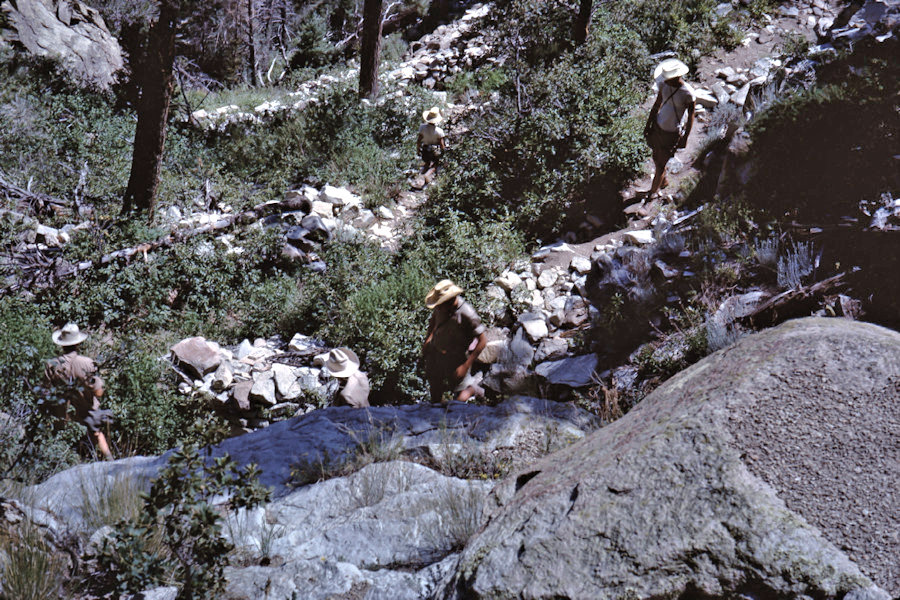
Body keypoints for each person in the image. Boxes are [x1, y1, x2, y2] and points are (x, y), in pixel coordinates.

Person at [44, 323, 113, 459]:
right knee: (97, 434)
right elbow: (98, 393)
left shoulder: (51, 364)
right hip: (86, 412)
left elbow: (46, 392)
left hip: (62, 415)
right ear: (78, 344)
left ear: (62, 344)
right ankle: (110, 461)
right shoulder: (86, 363)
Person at [422, 280, 487, 404]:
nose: (437, 308)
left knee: (459, 398)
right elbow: (434, 321)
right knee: (435, 391)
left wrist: (465, 366)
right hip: (437, 353)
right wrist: (428, 340)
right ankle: (438, 410)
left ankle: (473, 389)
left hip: (458, 358)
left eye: (440, 305)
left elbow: (483, 341)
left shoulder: (467, 313)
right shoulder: (441, 307)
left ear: (450, 301)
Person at [643, 58, 696, 198]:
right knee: (656, 157)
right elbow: (657, 105)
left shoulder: (688, 93)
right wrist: (648, 124)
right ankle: (663, 180)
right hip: (658, 127)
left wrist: (685, 137)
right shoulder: (664, 86)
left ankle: (652, 193)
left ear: (677, 76)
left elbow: (691, 116)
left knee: (660, 164)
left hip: (671, 133)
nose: (666, 80)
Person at [416, 106, 447, 173]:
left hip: (425, 151)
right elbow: (442, 145)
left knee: (427, 161)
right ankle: (434, 170)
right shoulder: (439, 131)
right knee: (436, 163)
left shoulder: (422, 128)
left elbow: (418, 141)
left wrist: (418, 150)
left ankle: (425, 170)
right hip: (435, 152)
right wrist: (443, 154)